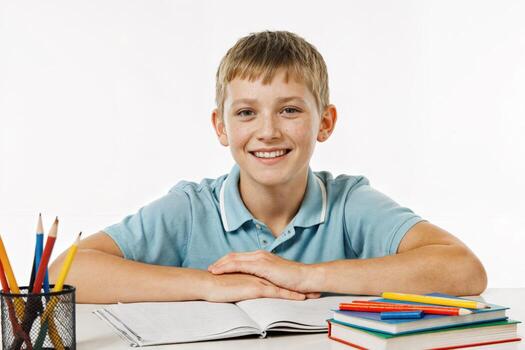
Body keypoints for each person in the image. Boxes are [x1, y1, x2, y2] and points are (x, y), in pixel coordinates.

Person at [49, 30, 487, 304]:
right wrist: (209, 285)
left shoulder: (350, 203)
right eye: (246, 114)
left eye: (290, 110)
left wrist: (301, 275)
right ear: (221, 126)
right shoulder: (191, 208)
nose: (268, 131)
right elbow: (64, 273)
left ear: (325, 123)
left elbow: (464, 269)